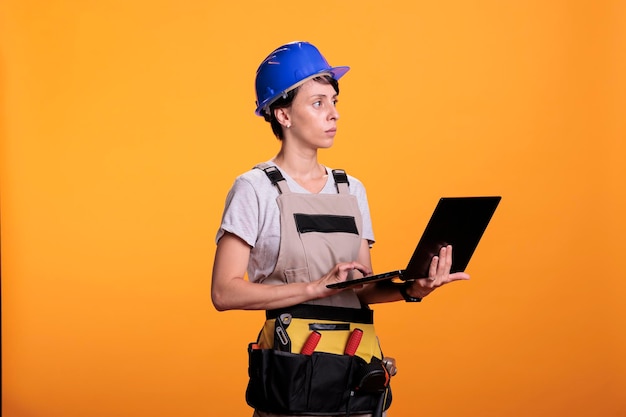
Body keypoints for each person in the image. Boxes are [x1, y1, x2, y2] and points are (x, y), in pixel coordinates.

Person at [211, 41, 469, 417]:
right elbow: (223, 291)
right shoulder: (255, 188)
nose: (333, 114)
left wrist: (414, 289)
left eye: (334, 102)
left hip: (355, 368)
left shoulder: (351, 188)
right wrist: (314, 288)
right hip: (293, 373)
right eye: (318, 103)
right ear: (282, 114)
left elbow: (360, 290)